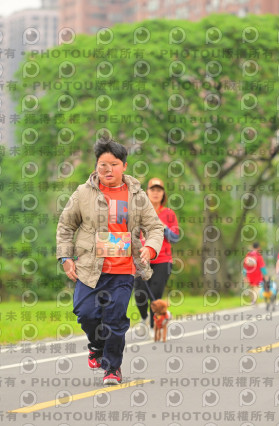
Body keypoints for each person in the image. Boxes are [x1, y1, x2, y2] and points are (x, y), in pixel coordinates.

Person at [56, 137, 164, 385]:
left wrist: (150, 248)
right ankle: (96, 346)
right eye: (102, 164)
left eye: (113, 164)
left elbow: (155, 227)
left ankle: (112, 367)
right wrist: (65, 257)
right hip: (89, 268)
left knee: (115, 319)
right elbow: (65, 226)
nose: (107, 170)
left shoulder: (136, 195)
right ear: (96, 166)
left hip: (123, 270)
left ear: (124, 166)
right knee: (85, 313)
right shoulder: (83, 193)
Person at [133, 177, 180, 331]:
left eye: (159, 190)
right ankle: (145, 318)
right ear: (147, 192)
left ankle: (155, 327)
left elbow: (175, 238)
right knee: (140, 294)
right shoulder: (139, 212)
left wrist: (164, 228)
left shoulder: (169, 213)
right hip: (142, 259)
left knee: (155, 293)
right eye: (152, 189)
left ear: (163, 194)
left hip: (163, 260)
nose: (155, 193)